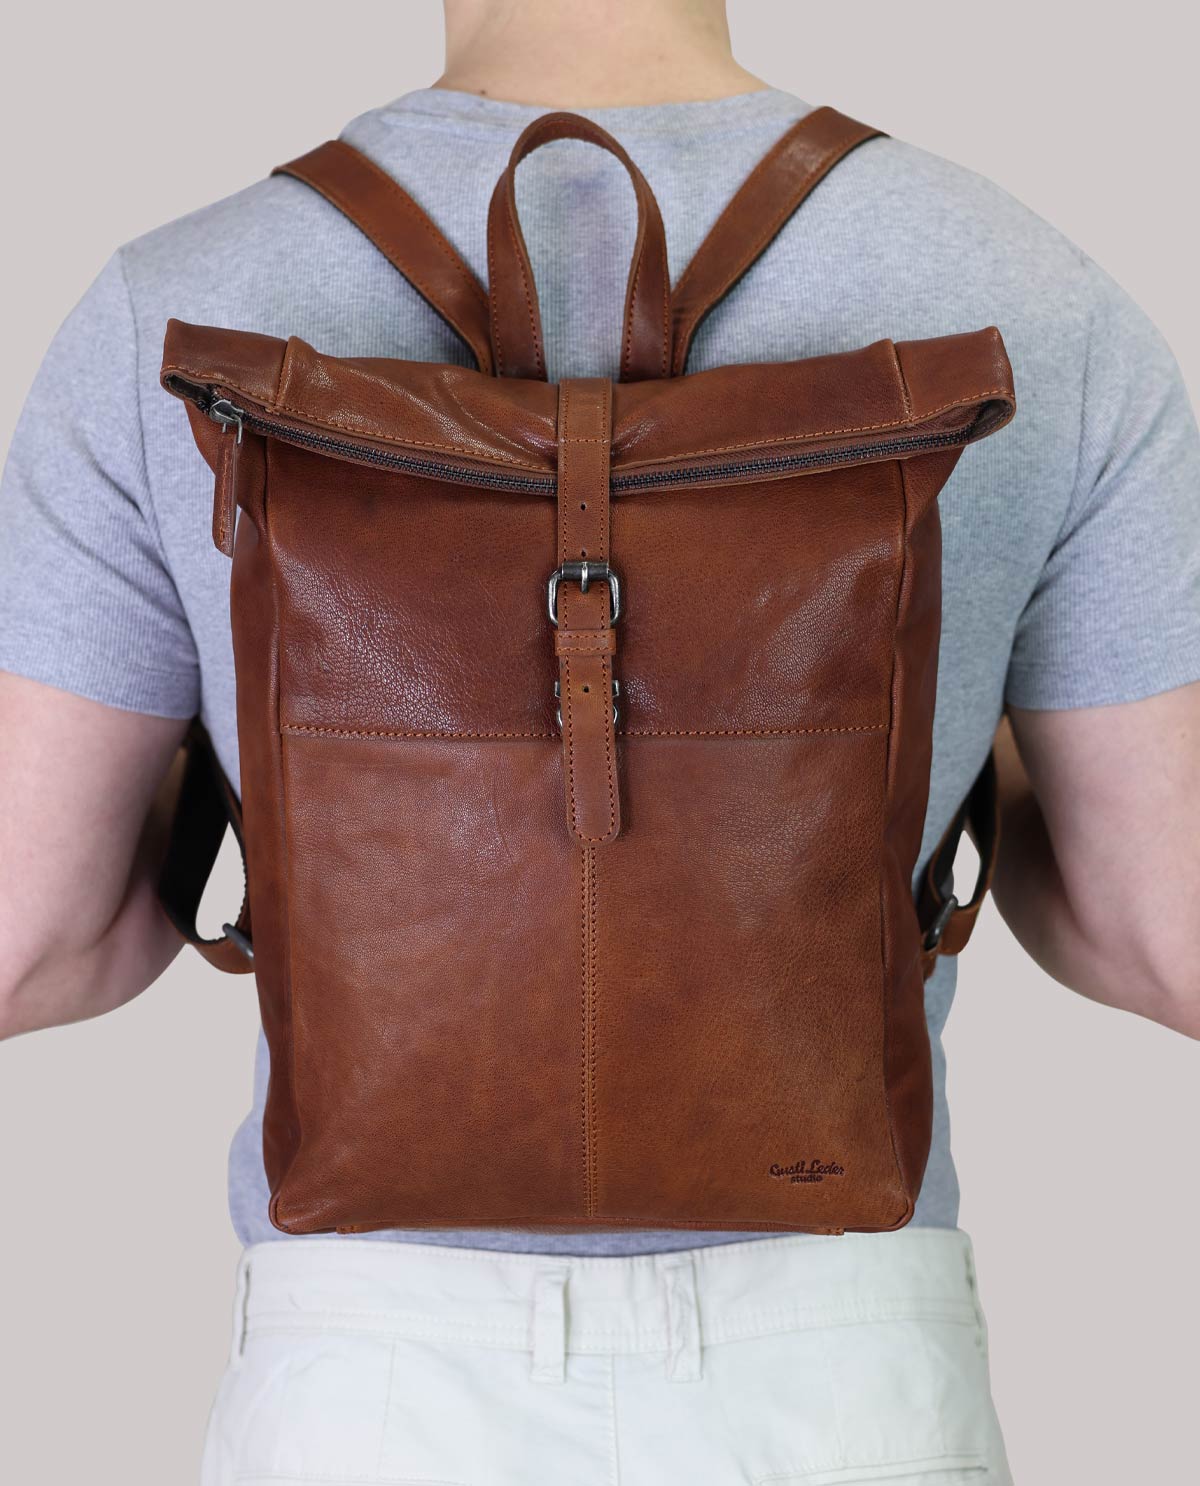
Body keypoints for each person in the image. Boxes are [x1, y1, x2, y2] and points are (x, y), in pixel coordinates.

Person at [1, 1, 1197, 1481]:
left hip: (369, 1378)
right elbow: (1163, 933)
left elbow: (37, 938)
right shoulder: (1034, 295)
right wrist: (967, 743)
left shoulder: (170, 307)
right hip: (842, 1374)